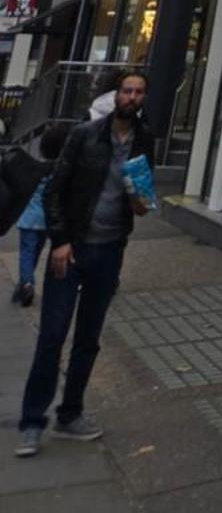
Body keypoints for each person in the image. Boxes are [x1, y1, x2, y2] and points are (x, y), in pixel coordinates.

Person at [14, 67, 154, 458]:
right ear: (116, 95)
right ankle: (31, 421)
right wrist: (59, 241)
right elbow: (55, 191)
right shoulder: (84, 135)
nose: (132, 97)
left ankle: (70, 412)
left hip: (110, 249)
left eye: (139, 92)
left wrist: (140, 201)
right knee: (53, 335)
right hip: (73, 249)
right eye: (127, 90)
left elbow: (142, 201)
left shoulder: (145, 141)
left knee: (88, 338)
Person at [10, 122, 73, 308]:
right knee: (36, 252)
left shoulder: (37, 168)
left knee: (26, 253)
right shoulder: (61, 172)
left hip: (29, 218)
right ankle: (25, 281)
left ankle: (27, 283)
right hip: (46, 220)